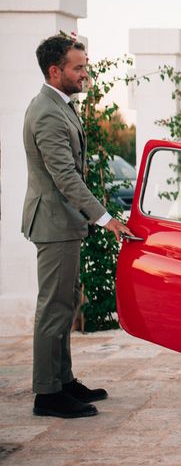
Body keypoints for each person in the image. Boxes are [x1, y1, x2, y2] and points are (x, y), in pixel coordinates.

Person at [23, 33, 130, 419]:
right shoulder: (47, 111)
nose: (85, 74)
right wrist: (106, 219)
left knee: (64, 304)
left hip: (63, 222)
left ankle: (63, 380)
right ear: (55, 71)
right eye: (78, 67)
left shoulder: (61, 105)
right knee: (53, 308)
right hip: (52, 222)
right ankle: (47, 394)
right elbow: (66, 177)